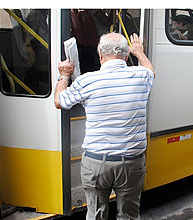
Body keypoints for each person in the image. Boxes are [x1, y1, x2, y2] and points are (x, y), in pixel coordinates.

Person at [54, 32, 155, 219]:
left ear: (100, 55)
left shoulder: (87, 81)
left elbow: (60, 101)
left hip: (96, 163)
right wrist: (139, 53)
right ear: (126, 56)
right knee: (129, 214)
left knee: (96, 214)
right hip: (131, 163)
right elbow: (150, 70)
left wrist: (64, 76)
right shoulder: (142, 76)